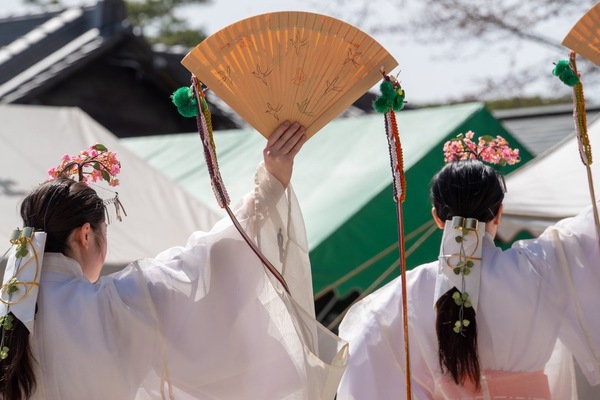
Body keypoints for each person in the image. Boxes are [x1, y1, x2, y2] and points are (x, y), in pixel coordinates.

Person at [0, 121, 348, 400]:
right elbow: (203, 261)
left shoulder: (10, 312)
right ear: (86, 235)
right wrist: (271, 182)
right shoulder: (108, 307)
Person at [337, 159, 600, 399]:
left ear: (438, 218)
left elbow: (365, 367)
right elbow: (591, 232)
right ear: (498, 213)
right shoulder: (538, 265)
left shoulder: (406, 292)